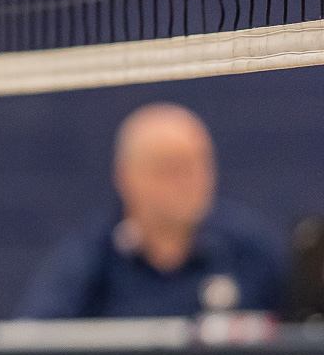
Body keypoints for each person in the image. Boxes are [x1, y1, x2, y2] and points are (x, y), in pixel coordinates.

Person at [19, 102, 287, 319]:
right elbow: (32, 350)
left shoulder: (252, 251)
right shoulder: (88, 263)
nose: (189, 181)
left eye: (198, 165)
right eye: (170, 168)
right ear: (126, 177)